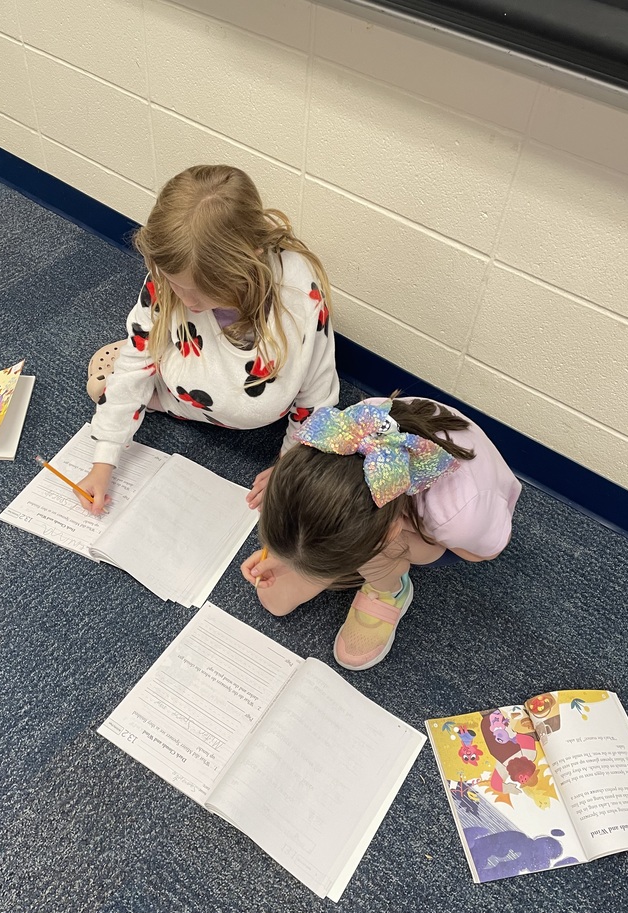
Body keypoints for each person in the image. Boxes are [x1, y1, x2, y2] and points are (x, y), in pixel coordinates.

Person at [78, 164, 338, 513]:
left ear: (248, 262)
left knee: (271, 412)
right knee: (132, 368)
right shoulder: (173, 281)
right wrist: (103, 460)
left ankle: (158, 386)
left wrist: (289, 466)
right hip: (183, 388)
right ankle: (156, 384)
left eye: (201, 291)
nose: (186, 300)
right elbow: (138, 360)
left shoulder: (298, 296)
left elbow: (317, 396)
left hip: (254, 404)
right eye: (174, 283)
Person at [241, 396, 522, 670]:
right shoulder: (350, 427)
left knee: (381, 555)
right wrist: (292, 549)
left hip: (454, 536)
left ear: (390, 530)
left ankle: (389, 587)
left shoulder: (459, 517)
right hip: (401, 502)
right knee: (276, 599)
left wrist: (410, 535)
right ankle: (334, 547)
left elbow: (484, 552)